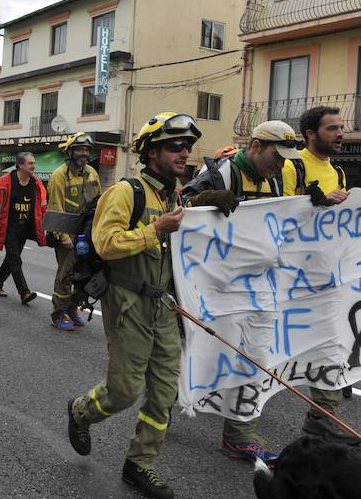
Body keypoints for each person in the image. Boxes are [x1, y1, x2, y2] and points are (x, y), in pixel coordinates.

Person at [67, 112, 202, 499]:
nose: (185, 152)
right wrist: (155, 230)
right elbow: (105, 242)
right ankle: (80, 411)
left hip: (162, 305)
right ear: (152, 151)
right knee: (123, 391)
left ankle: (140, 463)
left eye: (187, 146)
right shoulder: (127, 191)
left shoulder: (170, 193)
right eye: (176, 145)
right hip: (126, 302)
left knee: (164, 393)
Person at [182, 120, 302, 465]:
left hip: (261, 286)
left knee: (258, 358)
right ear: (255, 146)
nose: (280, 163)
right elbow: (177, 206)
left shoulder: (276, 178)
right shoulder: (221, 174)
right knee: (202, 353)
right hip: (217, 286)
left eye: (284, 158)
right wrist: (203, 200)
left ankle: (239, 436)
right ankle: (166, 403)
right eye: (275, 156)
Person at [280, 106, 353, 440]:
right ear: (310, 134)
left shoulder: (338, 173)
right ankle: (235, 423)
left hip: (324, 278)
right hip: (287, 279)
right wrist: (312, 202)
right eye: (332, 128)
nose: (340, 134)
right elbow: (274, 214)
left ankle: (321, 419)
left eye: (341, 127)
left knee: (331, 343)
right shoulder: (291, 166)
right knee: (263, 353)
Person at [48, 133, 102, 330]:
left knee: (85, 272)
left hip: (87, 232)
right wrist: (63, 237)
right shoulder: (59, 176)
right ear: (69, 152)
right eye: (79, 149)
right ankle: (58, 312)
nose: (84, 153)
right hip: (67, 234)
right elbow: (56, 207)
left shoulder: (92, 174)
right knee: (66, 274)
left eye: (87, 150)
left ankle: (72, 307)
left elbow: (98, 202)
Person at [0, 152, 47, 304]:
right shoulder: (3, 183)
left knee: (11, 259)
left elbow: (43, 207)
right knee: (15, 259)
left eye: (33, 162)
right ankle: (24, 292)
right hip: (9, 227)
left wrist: (46, 225)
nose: (34, 166)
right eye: (30, 163)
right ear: (20, 165)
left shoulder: (37, 184)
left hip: (25, 228)